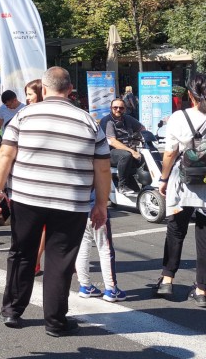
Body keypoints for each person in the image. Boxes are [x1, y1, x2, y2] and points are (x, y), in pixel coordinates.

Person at [0, 67, 110, 337]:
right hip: (72, 203)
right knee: (60, 261)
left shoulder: (23, 115)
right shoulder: (89, 122)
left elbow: (5, 154)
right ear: (70, 90)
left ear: (44, 90)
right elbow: (102, 169)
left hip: (27, 198)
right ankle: (55, 322)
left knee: (21, 252)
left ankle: (12, 310)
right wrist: (101, 205)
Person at [154, 73, 206, 307]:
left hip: (181, 180)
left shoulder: (179, 117)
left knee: (175, 231)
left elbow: (169, 153)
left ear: (189, 95)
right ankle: (202, 289)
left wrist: (163, 179)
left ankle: (167, 280)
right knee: (204, 237)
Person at [74, 190, 126, 302]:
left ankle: (85, 285)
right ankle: (111, 289)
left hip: (78, 209)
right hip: (96, 207)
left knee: (82, 247)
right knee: (105, 249)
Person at [99, 98, 145, 195]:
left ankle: (145, 187)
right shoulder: (107, 121)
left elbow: (142, 128)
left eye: (121, 108)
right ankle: (122, 186)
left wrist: (143, 136)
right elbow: (113, 142)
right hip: (109, 152)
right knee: (126, 155)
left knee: (146, 157)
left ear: (124, 109)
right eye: (115, 107)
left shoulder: (128, 118)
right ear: (111, 108)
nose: (118, 110)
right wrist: (132, 151)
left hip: (127, 150)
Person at [24, 79, 47, 277]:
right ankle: (36, 262)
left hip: (42, 177)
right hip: (34, 178)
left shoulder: (33, 114)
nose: (27, 98)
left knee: (44, 227)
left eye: (30, 94)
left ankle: (36, 262)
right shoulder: (27, 113)